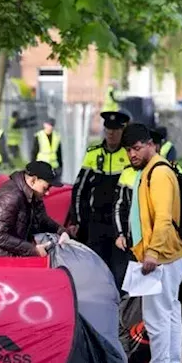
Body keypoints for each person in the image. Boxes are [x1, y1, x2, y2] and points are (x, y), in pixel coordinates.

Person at [114, 123, 182, 363]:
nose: (131, 155)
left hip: (163, 254)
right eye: (128, 150)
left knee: (156, 314)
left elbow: (164, 218)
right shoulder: (153, 170)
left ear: (150, 145)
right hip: (170, 253)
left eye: (136, 148)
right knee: (169, 311)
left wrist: (153, 252)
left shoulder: (157, 173)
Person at [65, 110, 132, 288]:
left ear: (122, 132)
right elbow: (79, 190)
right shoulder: (93, 154)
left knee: (119, 271)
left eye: (116, 131)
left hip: (120, 224)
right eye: (108, 131)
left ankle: (119, 309)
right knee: (96, 267)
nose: (111, 135)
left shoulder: (128, 155)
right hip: (97, 222)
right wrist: (77, 219)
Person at [0, 161, 65, 258]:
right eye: (46, 188)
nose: (48, 193)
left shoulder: (34, 195)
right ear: (33, 181)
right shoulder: (10, 197)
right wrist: (33, 250)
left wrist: (62, 231)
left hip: (14, 254)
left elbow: (43, 220)